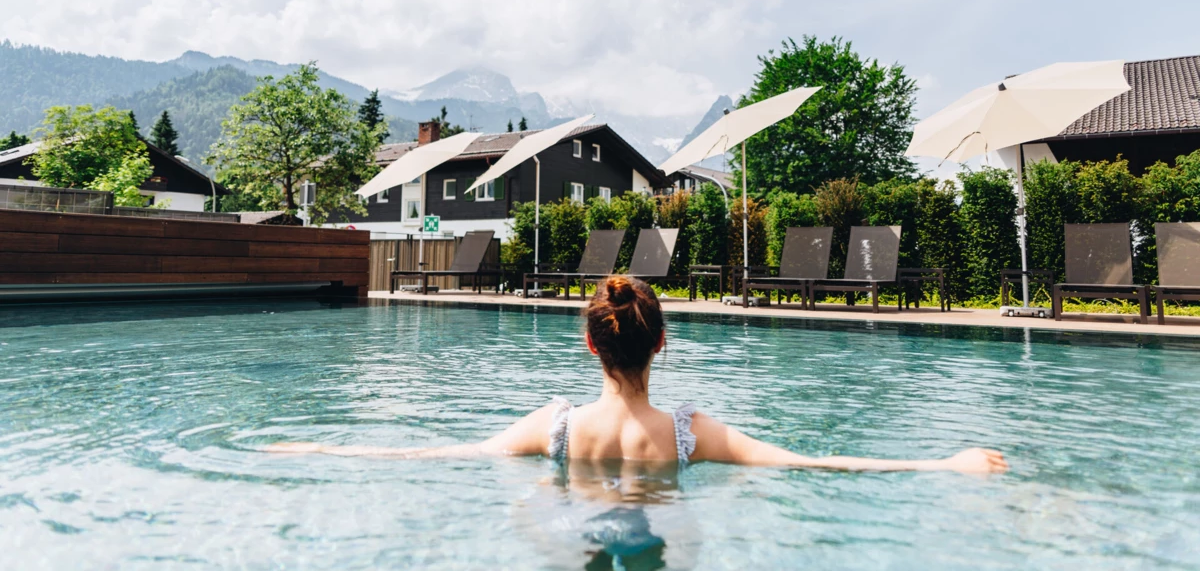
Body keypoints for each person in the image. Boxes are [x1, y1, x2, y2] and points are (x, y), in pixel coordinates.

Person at [268, 276, 1008, 474]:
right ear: (662, 347)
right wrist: (942, 461)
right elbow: (811, 462)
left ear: (592, 347)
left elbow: (428, 455)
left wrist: (321, 450)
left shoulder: (551, 427)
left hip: (572, 509)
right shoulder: (691, 434)